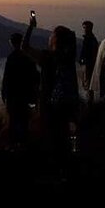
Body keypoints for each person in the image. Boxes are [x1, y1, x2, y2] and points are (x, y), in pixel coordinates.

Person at [22, 15, 80, 165]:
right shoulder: (68, 57)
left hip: (47, 103)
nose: (49, 38)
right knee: (62, 134)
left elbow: (24, 47)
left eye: (51, 36)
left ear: (55, 40)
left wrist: (31, 26)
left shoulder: (47, 57)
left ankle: (49, 166)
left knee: (48, 135)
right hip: (65, 104)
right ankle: (64, 166)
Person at [2, 33, 40, 149]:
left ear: (12, 42)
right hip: (25, 94)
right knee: (24, 120)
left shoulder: (11, 57)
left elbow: (7, 77)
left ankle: (14, 145)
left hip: (14, 95)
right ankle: (24, 145)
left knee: (13, 120)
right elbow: (35, 76)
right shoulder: (29, 57)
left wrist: (4, 92)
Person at [79, 20, 99, 100]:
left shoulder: (89, 40)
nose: (84, 29)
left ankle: (89, 102)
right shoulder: (90, 39)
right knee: (88, 83)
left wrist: (83, 60)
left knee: (88, 83)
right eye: (84, 27)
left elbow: (88, 52)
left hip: (89, 65)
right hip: (89, 64)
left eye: (86, 27)